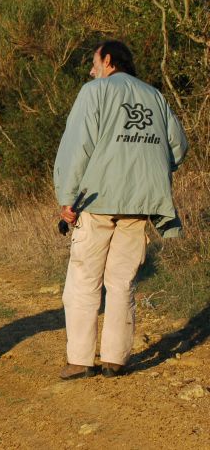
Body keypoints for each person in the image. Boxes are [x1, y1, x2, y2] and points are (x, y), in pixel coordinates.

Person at [54, 40, 188, 380]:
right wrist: (150, 171)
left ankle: (81, 360)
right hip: (141, 203)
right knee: (122, 281)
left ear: (108, 60)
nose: (90, 69)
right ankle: (116, 360)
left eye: (93, 61)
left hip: (97, 202)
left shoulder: (94, 91)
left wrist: (66, 197)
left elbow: (77, 146)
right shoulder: (155, 96)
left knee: (84, 280)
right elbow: (179, 146)